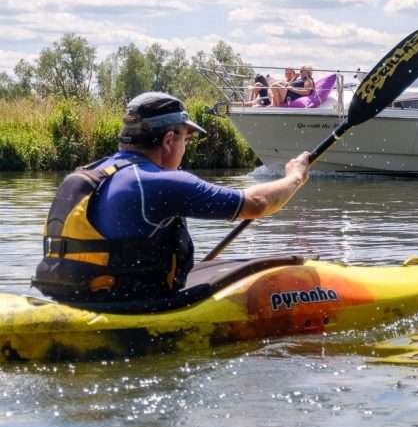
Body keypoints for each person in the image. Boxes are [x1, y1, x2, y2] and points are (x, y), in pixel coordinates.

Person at [33, 92, 311, 303]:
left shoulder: (92, 173)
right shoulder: (160, 182)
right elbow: (256, 204)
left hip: (70, 297)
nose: (185, 147)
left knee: (214, 267)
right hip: (129, 307)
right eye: (186, 140)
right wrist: (294, 177)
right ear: (168, 140)